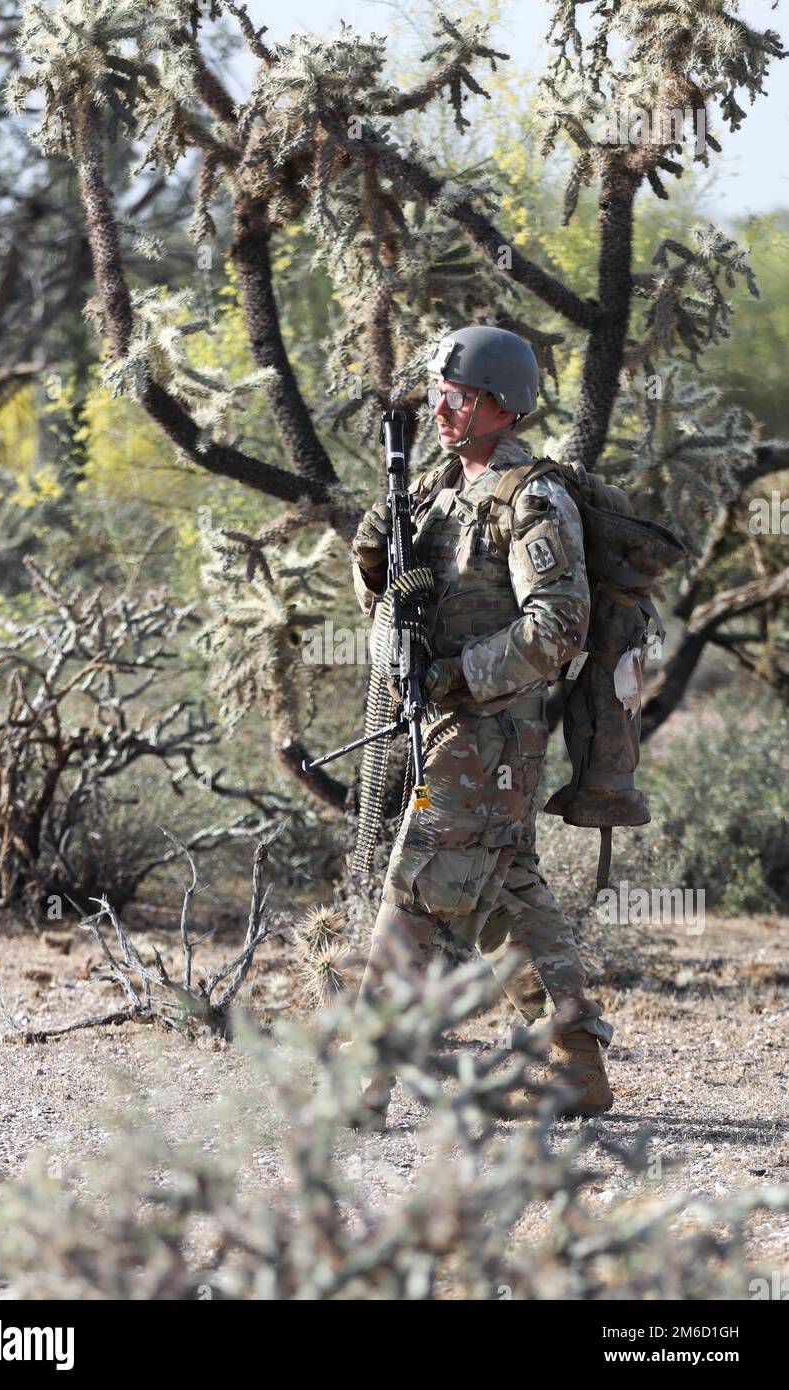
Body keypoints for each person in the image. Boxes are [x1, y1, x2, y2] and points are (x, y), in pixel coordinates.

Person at [348, 325, 614, 1130]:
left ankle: (361, 1079)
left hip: (490, 736)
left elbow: (558, 625)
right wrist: (373, 566)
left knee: (418, 886)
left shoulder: (532, 498)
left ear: (501, 404)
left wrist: (456, 675)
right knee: (509, 895)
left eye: (456, 398)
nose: (439, 410)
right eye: (438, 395)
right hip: (447, 730)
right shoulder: (433, 491)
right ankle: (575, 1066)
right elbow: (396, 614)